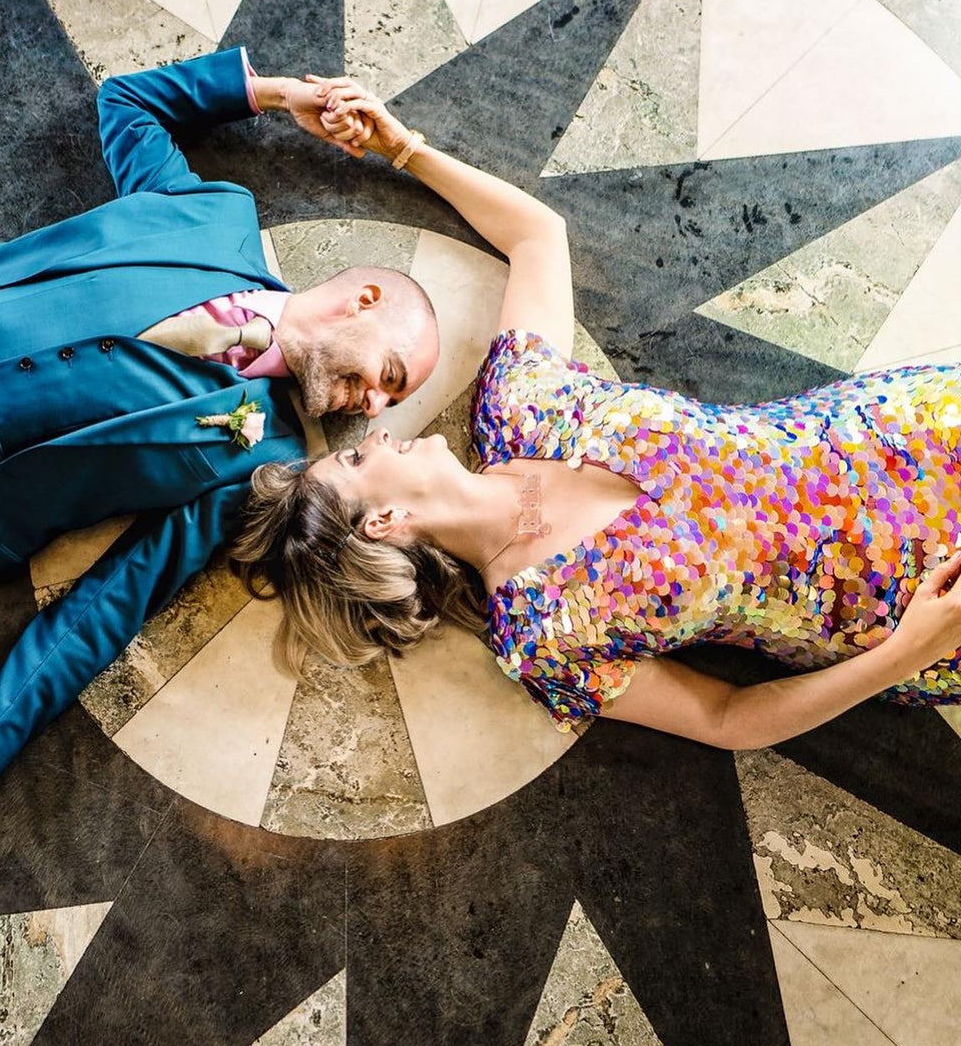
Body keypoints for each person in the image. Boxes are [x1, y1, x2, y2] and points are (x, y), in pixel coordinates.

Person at [0, 49, 439, 833]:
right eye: (389, 371)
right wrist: (281, 94)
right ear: (365, 297)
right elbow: (127, 104)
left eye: (393, 397)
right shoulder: (213, 216)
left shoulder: (258, 458)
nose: (376, 402)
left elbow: (108, 605)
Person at [232, 79, 961, 749]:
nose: (380, 432)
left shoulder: (519, 409)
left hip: (911, 427)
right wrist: (905, 654)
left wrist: (401, 146)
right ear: (383, 523)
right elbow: (725, 718)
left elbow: (536, 236)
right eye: (359, 458)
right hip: (912, 595)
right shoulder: (541, 631)